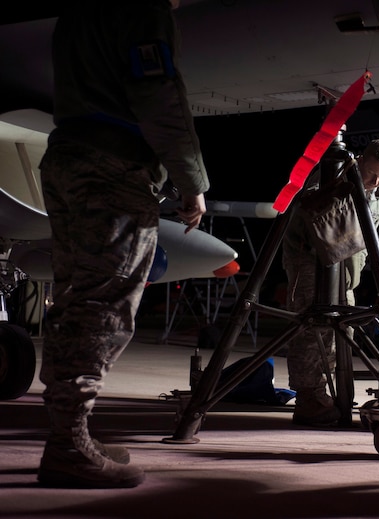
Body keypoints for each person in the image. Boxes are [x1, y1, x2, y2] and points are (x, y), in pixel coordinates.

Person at [37, 0, 209, 488]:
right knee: (103, 307)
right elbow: (158, 92)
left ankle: (70, 435)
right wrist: (191, 179)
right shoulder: (141, 7)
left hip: (68, 156)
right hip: (112, 170)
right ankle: (69, 447)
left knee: (75, 301)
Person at [283, 139, 379, 426]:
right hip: (310, 261)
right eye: (370, 174)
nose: (374, 182)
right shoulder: (330, 177)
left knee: (341, 331)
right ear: (359, 161)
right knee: (312, 328)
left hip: (346, 270)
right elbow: (308, 214)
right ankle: (309, 397)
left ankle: (332, 394)